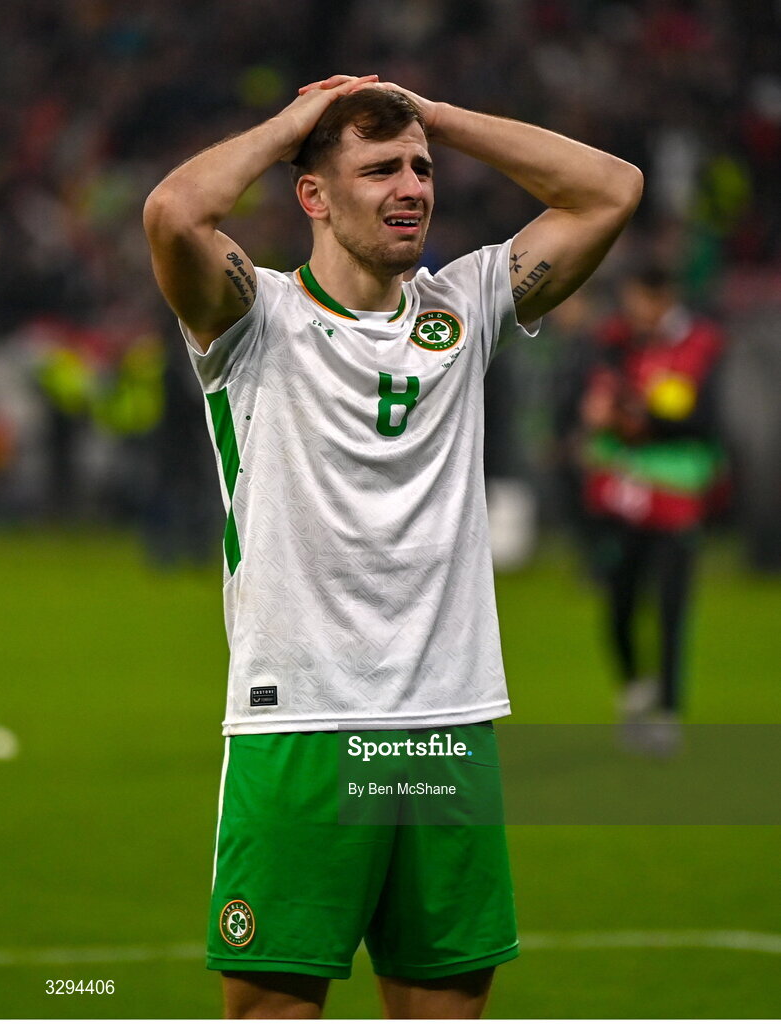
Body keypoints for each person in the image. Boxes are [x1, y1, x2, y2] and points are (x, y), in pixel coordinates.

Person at [144, 73, 642, 1019]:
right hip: (301, 726)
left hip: (446, 725)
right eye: (378, 169)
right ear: (314, 196)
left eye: (420, 168)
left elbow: (610, 188)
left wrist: (438, 117)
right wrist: (296, 124)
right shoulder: (254, 320)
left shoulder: (469, 305)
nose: (412, 184)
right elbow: (174, 212)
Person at [579, 266, 726, 754]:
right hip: (621, 495)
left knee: (671, 606)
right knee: (618, 604)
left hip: (677, 496)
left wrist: (645, 423)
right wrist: (599, 412)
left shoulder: (703, 343)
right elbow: (595, 396)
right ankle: (635, 688)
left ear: (665, 296)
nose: (635, 309)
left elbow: (705, 421)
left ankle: (667, 710)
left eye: (642, 297)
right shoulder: (618, 340)